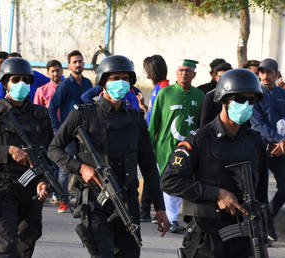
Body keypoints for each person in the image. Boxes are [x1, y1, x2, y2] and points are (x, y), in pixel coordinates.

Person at [48, 55, 169, 257]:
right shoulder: (83, 114)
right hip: (95, 202)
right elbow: (54, 149)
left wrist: (160, 207)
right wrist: (80, 168)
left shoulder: (135, 119)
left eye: (125, 78)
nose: (120, 83)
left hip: (127, 201)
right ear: (103, 82)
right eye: (114, 78)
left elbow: (148, 165)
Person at [161, 68, 268, 257]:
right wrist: (217, 194)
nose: (246, 105)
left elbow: (261, 193)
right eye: (240, 100)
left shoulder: (255, 141)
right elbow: (170, 181)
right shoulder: (199, 139)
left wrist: (262, 232)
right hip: (207, 237)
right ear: (224, 101)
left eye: (250, 100)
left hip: (243, 237)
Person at [0, 57, 52, 257]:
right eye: (16, 80)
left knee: (28, 240)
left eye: (25, 80)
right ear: (6, 82)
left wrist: (44, 181)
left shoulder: (40, 114)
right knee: (5, 244)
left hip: (32, 187)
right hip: (4, 186)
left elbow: (51, 152)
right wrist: (8, 150)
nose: (21, 84)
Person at [148, 59, 204, 233]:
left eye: (188, 71)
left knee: (184, 180)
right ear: (175, 73)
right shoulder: (165, 94)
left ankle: (182, 217)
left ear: (194, 74)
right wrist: (149, 147)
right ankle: (171, 218)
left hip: (189, 148)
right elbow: (154, 122)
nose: (184, 73)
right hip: (165, 146)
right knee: (167, 179)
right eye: (180, 70)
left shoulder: (200, 96)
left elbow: (202, 124)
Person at [250, 58, 285, 241]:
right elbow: (258, 124)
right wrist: (280, 140)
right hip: (261, 148)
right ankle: (263, 230)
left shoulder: (283, 95)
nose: (265, 76)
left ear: (277, 74)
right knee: (259, 191)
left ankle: (268, 217)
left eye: (269, 72)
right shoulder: (254, 95)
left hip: (280, 150)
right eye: (262, 72)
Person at [48, 50, 92, 213]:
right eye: (75, 62)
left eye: (80, 61)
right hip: (69, 133)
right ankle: (63, 202)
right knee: (65, 168)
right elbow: (52, 108)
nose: (78, 64)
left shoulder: (87, 83)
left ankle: (82, 202)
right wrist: (57, 129)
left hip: (85, 134)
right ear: (69, 65)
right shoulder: (64, 85)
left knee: (85, 166)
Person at [141, 54, 169, 223]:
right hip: (151, 137)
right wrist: (144, 107)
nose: (146, 75)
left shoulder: (164, 89)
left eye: (147, 71)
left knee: (152, 175)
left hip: (157, 141)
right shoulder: (157, 88)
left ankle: (146, 210)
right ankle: (144, 210)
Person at [199, 62, 233, 127]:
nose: (223, 80)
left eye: (226, 76)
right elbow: (204, 123)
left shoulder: (237, 95)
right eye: (220, 77)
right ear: (216, 78)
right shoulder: (210, 97)